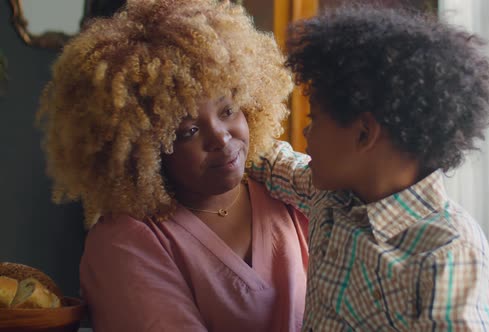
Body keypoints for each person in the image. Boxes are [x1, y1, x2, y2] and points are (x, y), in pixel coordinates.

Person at [36, 0, 307, 331]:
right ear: (143, 151)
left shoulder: (289, 188)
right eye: (188, 131)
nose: (220, 138)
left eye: (228, 110)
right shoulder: (124, 242)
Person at [248, 4, 489, 331]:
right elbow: (272, 161)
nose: (307, 132)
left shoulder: (449, 252)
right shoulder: (331, 196)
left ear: (364, 133)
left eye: (315, 119)